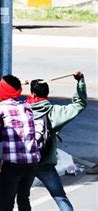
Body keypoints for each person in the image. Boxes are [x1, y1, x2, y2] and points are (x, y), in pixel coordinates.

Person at [28, 72, 87, 211]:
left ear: (33, 95)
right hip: (45, 164)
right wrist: (80, 81)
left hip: (24, 163)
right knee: (60, 197)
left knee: (20, 197)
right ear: (47, 94)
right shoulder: (54, 113)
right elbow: (80, 104)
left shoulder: (21, 110)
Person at [0, 75, 41, 211]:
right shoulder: (26, 106)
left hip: (13, 164)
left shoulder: (0, 107)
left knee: (6, 204)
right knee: (23, 198)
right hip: (32, 162)